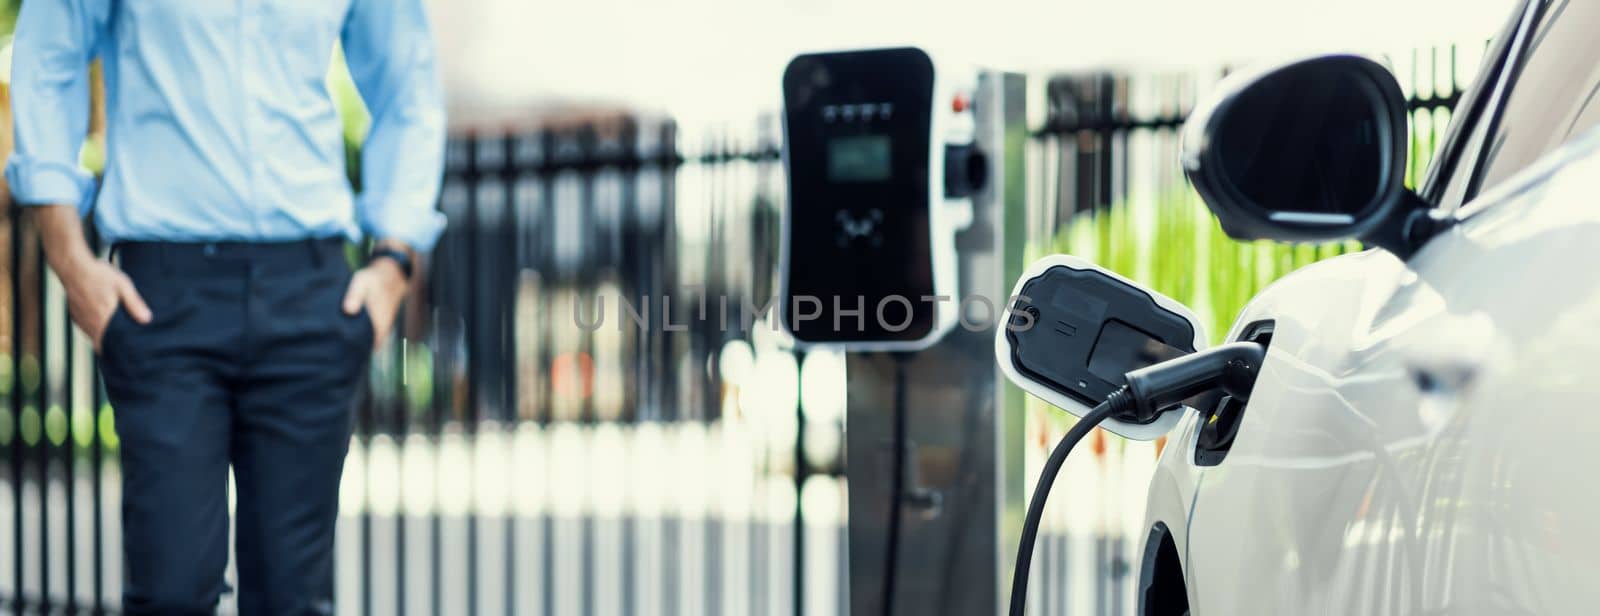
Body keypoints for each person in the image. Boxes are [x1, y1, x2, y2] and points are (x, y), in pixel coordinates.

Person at [6, 0, 445, 613]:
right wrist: (71, 261)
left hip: (309, 291)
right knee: (171, 596)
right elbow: (48, 59)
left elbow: (408, 85)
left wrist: (394, 262)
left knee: (292, 601)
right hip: (163, 298)